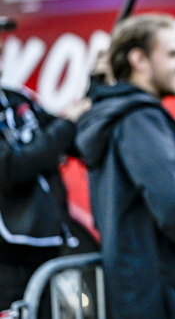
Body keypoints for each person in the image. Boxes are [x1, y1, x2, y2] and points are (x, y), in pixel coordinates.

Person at [75, 14, 175, 318]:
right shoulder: (139, 118)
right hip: (163, 297)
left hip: (140, 296)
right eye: (173, 54)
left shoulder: (118, 117)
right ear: (139, 59)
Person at [0, 25, 90, 314]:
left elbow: (72, 138)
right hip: (7, 260)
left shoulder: (17, 99)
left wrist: (99, 86)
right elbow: (11, 169)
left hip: (45, 250)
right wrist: (67, 125)